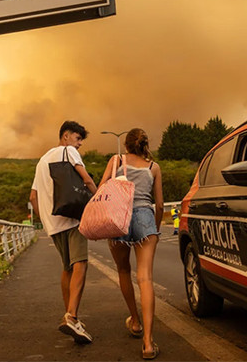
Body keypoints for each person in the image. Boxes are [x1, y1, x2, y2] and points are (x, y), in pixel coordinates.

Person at [30, 121, 98, 344]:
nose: (79, 144)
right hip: (72, 217)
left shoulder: (42, 161)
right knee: (81, 263)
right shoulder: (68, 151)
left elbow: (33, 197)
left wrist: (45, 221)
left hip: (53, 223)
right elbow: (86, 179)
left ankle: (70, 315)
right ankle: (72, 316)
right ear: (66, 136)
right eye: (78, 139)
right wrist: (100, 200)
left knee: (67, 267)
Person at [98, 128, 164, 359]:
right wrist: (154, 229)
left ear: (126, 145)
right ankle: (148, 343)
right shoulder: (153, 167)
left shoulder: (116, 161)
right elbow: (160, 204)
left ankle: (135, 322)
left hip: (120, 217)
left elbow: (101, 190)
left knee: (123, 270)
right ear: (144, 144)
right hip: (145, 217)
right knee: (145, 279)